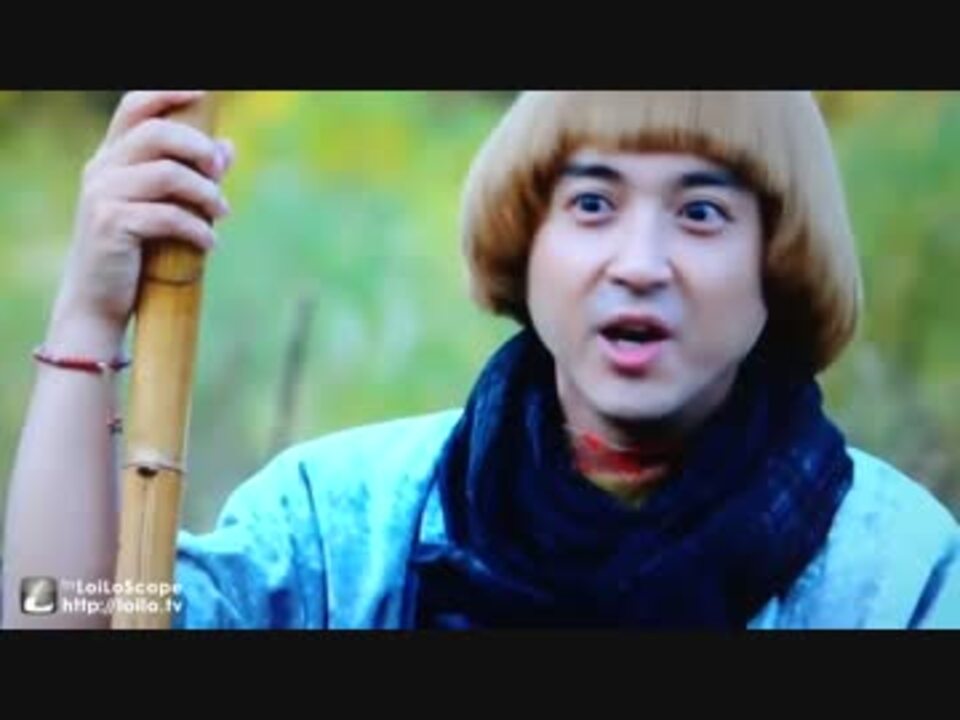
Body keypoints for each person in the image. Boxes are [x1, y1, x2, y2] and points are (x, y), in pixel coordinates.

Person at [3, 90, 958, 630]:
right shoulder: (341, 531)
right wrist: (88, 315)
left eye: (702, 212)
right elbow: (51, 617)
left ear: (776, 263)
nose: (639, 262)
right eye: (592, 205)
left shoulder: (897, 573)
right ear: (526, 242)